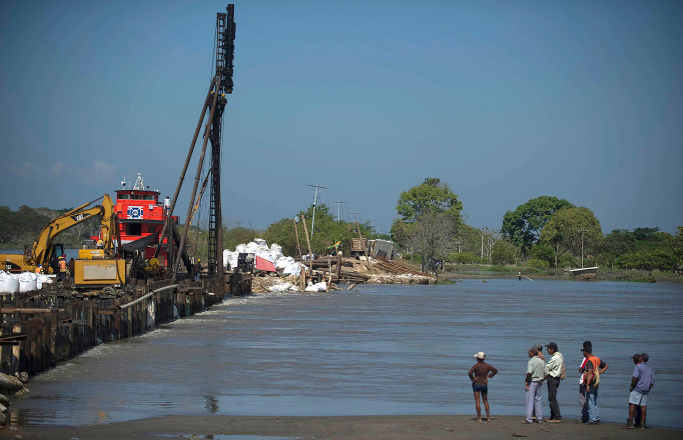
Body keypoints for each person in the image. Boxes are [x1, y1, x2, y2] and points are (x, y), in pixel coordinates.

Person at [625, 353, 654, 430]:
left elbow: (635, 378)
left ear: (640, 358)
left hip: (637, 388)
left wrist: (632, 386)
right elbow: (652, 381)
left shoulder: (638, 367)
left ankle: (630, 423)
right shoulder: (649, 368)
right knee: (643, 406)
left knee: (632, 404)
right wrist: (648, 389)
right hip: (645, 390)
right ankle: (643, 424)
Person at [468, 352, 498, 422]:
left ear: (478, 358)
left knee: (477, 401)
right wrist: (489, 376)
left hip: (476, 384)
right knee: (485, 401)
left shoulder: (476, 366)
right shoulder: (487, 365)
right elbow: (495, 370)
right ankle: (488, 418)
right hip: (484, 384)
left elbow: (469, 373)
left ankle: (479, 418)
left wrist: (473, 379)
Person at [582, 345, 608, 425]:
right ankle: (596, 417)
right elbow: (606, 366)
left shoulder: (589, 360)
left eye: (583, 351)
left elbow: (589, 372)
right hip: (596, 381)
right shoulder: (597, 359)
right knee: (595, 400)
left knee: (590, 401)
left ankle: (592, 419)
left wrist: (587, 384)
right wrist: (598, 373)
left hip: (591, 382)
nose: (583, 353)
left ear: (586, 352)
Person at [544, 342, 564, 422]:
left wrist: (541, 378)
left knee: (552, 398)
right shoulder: (560, 355)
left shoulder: (555, 358)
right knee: (551, 397)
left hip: (552, 378)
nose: (547, 350)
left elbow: (546, 368)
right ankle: (552, 416)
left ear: (552, 349)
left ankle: (557, 416)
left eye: (548, 348)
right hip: (556, 379)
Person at [525, 346, 545, 424]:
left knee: (530, 400)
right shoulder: (541, 361)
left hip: (533, 381)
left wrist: (526, 380)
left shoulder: (531, 361)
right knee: (538, 399)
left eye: (529, 352)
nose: (528, 353)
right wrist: (542, 379)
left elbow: (529, 372)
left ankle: (529, 419)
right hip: (539, 381)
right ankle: (539, 418)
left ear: (533, 353)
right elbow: (547, 373)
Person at [577, 341, 592, 423]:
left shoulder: (586, 358)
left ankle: (585, 416)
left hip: (584, 380)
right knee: (591, 399)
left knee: (582, 400)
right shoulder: (594, 358)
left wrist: (583, 369)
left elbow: (580, 369)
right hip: (592, 381)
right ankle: (592, 416)